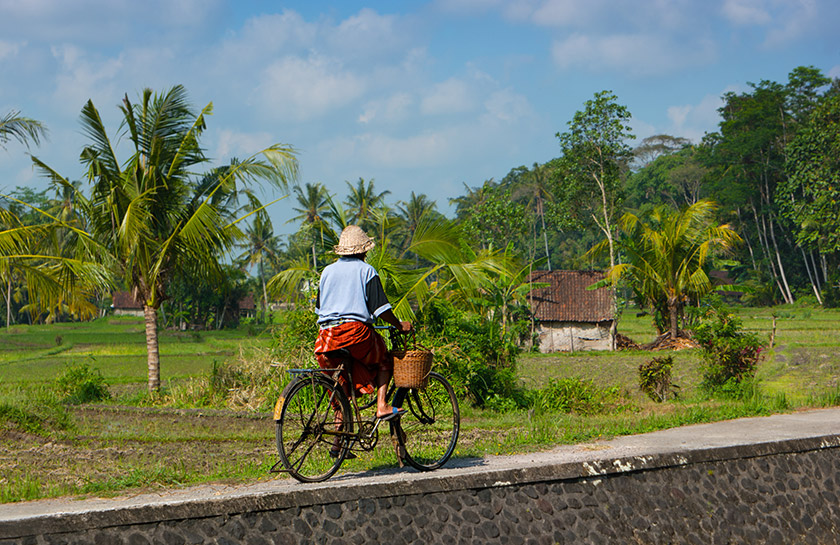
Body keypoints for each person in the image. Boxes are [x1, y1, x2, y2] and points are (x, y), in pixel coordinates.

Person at [314, 225, 412, 422]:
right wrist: (399, 325)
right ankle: (382, 405)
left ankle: (339, 431)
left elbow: (319, 309)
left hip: (326, 337)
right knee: (385, 358)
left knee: (339, 379)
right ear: (364, 250)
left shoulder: (327, 272)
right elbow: (381, 310)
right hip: (355, 333)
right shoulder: (367, 271)